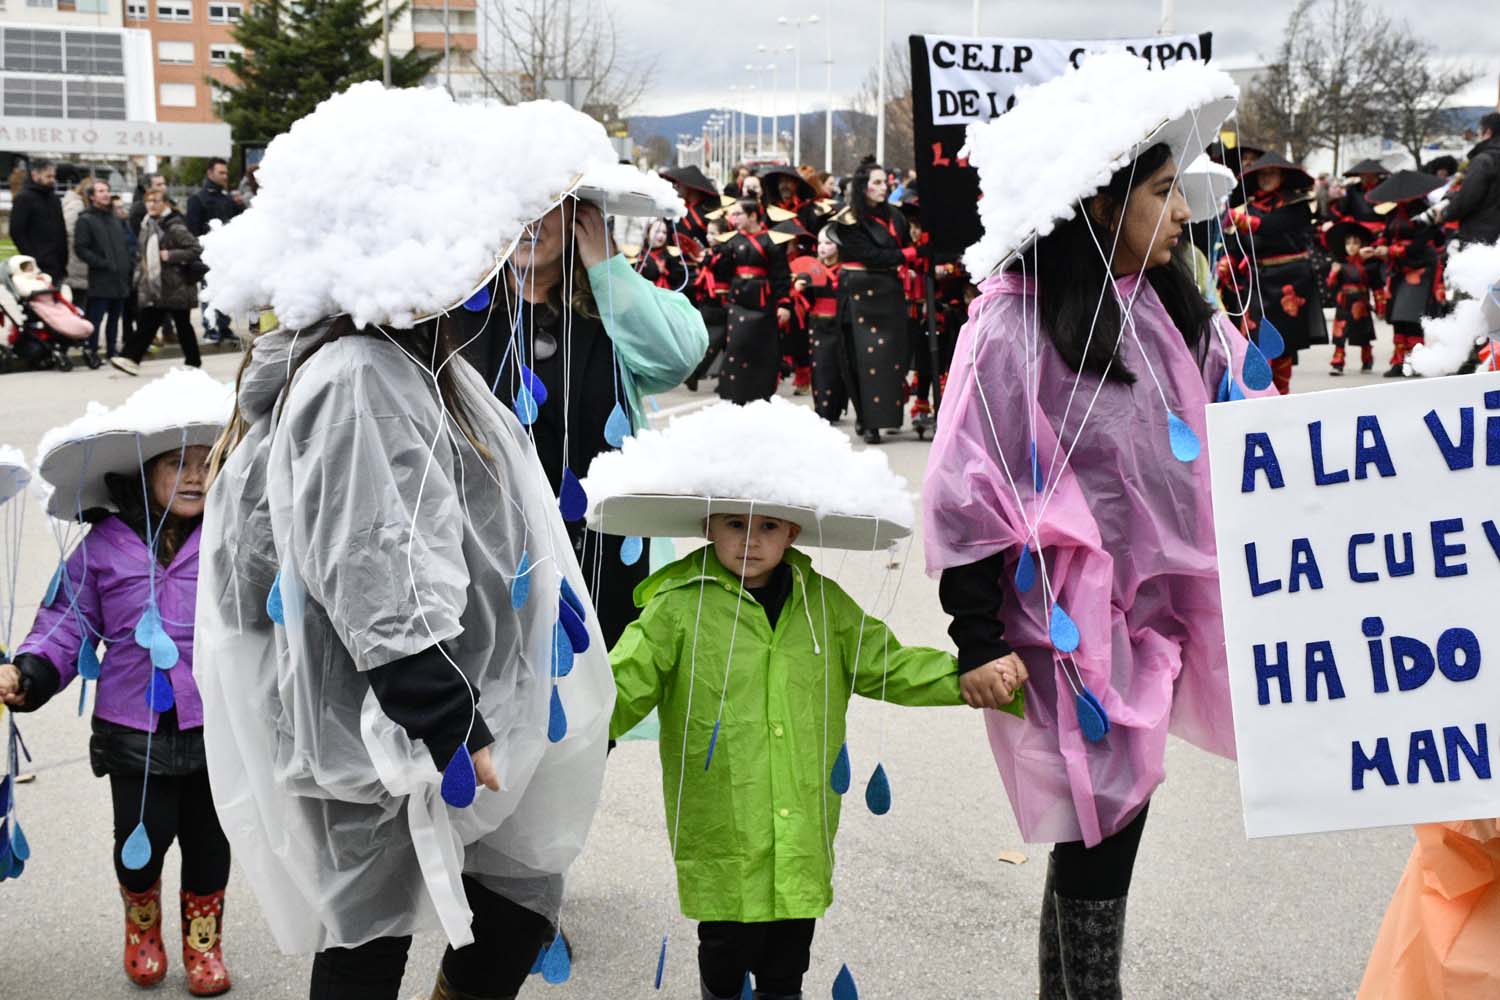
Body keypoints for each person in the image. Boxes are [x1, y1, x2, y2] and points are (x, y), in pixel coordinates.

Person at [193, 85, 642, 1000]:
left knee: (513, 901)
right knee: (370, 943)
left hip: (440, 705)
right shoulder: (359, 375)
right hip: (385, 722)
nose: (495, 267)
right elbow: (371, 566)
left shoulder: (422, 362)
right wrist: (442, 715)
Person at [925, 53, 1268, 998]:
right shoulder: (1010, 326)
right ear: (1102, 202)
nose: (1186, 212)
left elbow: (1259, 426)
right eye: (1164, 192)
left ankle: (1074, 989)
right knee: (1102, 812)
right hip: (1062, 623)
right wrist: (977, 636)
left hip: (1154, 612)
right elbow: (969, 488)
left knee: (1105, 815)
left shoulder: (1175, 310)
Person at [590, 398, 1021, 1000]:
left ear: (792, 532)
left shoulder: (823, 606)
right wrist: (564, 732)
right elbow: (621, 684)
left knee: (789, 955)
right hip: (722, 821)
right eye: (735, 524)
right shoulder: (677, 608)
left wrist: (964, 679)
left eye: (767, 526)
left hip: (801, 817)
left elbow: (888, 664)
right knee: (725, 947)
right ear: (708, 525)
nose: (750, 540)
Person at [2, 370, 235, 996]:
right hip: (134, 728)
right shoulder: (104, 545)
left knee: (211, 844)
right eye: (176, 463)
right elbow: (65, 620)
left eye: (206, 463)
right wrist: (30, 673)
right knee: (144, 840)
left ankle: (203, 944)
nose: (194, 476)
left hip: (218, 724)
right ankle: (143, 928)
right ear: (141, 472)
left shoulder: (231, 537)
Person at [462, 198, 707, 647]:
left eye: (545, 206)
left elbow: (677, 358)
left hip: (602, 554)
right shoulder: (461, 316)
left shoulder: (609, 311)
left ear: (581, 215)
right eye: (518, 204)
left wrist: (608, 269)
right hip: (489, 551)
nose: (529, 222)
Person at [1220, 151, 1326, 394]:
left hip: (1290, 281)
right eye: (1262, 174)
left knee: (1282, 344)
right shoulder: (1248, 208)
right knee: (1255, 343)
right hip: (1256, 283)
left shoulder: (1296, 206)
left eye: (1271, 173)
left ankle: (1281, 393)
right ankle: (1260, 394)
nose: (1266, 178)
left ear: (1282, 176)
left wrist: (1240, 220)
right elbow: (1238, 244)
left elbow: (1274, 226)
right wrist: (1228, 260)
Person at [833, 157, 916, 443]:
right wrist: (906, 256)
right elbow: (869, 254)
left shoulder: (896, 216)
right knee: (858, 359)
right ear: (863, 187)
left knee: (891, 359)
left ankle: (885, 417)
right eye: (877, 183)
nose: (884, 187)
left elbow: (906, 245)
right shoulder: (848, 219)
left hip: (889, 293)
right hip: (857, 293)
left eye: (885, 182)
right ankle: (866, 420)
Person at [113, 190, 204, 375]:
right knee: (151, 322)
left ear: (166, 204)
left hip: (176, 285)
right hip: (158, 285)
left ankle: (132, 357)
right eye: (149, 201)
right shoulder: (148, 224)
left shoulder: (174, 225)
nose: (152, 204)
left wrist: (171, 255)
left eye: (156, 201)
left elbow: (195, 248)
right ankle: (131, 358)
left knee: (180, 324)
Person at [710, 198, 792, 404]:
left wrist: (784, 304)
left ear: (753, 215)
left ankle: (760, 394)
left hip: (763, 302)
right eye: (732, 214)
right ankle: (732, 393)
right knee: (736, 346)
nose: (733, 218)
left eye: (738, 214)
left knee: (762, 348)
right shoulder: (732, 241)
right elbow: (723, 272)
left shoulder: (770, 241)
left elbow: (781, 275)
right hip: (738, 301)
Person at [74, 179, 133, 365]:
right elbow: (81, 248)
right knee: (95, 318)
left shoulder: (115, 219)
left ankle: (111, 349)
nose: (105, 194)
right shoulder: (85, 219)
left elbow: (125, 244)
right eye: (100, 191)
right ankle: (91, 350)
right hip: (101, 276)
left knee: (115, 318)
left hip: (120, 276)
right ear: (92, 196)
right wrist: (101, 263)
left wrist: (127, 263)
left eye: (107, 190)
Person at [186, 158, 243, 344]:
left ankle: (224, 327)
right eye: (221, 173)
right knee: (209, 291)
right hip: (208, 254)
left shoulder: (226, 199)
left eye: (226, 173)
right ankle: (211, 329)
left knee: (225, 291)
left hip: (226, 254)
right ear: (210, 173)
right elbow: (192, 230)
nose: (225, 176)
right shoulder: (198, 199)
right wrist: (197, 254)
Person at [792, 225, 846, 421]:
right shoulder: (812, 268)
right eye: (820, 243)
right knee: (821, 366)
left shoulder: (845, 269)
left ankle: (837, 407)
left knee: (840, 368)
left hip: (840, 324)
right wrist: (799, 287)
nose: (823, 247)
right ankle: (824, 412)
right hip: (819, 325)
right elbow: (803, 295)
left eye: (829, 243)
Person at [1428, 112, 1500, 246]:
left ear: (1488, 133)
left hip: (1481, 238)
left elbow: (1468, 197)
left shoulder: (1484, 160)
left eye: (1479, 134)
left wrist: (1445, 213)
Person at [1324, 221, 1382, 375]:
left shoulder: (1369, 265)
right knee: (1340, 335)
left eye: (1355, 243)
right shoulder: (1339, 265)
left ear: (1361, 245)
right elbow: (1330, 286)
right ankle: (1338, 363)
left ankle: (1367, 360)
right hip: (1344, 304)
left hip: (1362, 304)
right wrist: (1333, 273)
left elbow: (1376, 286)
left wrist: (1380, 306)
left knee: (1364, 334)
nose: (1351, 246)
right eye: (1348, 243)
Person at [8, 159, 68, 286]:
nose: (52, 179)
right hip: (38, 266)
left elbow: (61, 230)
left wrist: (63, 259)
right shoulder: (24, 198)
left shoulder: (54, 199)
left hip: (57, 265)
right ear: (35, 175)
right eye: (48, 176)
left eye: (53, 176)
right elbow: (16, 231)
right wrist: (33, 259)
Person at [62, 176, 93, 312]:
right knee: (80, 301)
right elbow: (69, 229)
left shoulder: (77, 204)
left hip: (79, 260)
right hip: (77, 260)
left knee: (81, 300)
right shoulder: (77, 205)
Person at [129, 173, 168, 237]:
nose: (163, 187)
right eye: (159, 185)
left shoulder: (169, 204)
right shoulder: (138, 210)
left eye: (164, 184)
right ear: (147, 188)